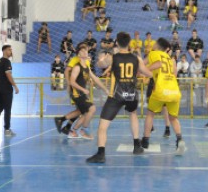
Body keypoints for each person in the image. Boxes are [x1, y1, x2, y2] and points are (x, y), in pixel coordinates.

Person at [86, 32, 153, 163]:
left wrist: (101, 58)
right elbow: (149, 73)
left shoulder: (113, 57)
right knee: (133, 114)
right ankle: (137, 146)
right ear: (130, 43)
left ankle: (101, 153)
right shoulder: (136, 59)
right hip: (132, 94)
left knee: (103, 125)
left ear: (116, 42)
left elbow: (100, 65)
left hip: (116, 94)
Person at [141, 38, 186, 155]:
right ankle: (179, 139)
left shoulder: (154, 53)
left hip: (160, 90)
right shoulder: (171, 59)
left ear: (157, 46)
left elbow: (148, 64)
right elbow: (174, 73)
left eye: (154, 43)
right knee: (173, 118)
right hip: (174, 90)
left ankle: (145, 140)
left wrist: (143, 71)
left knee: (150, 113)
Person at [54, 42, 91, 135]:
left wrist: (89, 81)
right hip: (76, 89)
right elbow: (67, 71)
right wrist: (69, 84)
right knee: (83, 110)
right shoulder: (75, 60)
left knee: (80, 110)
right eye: (84, 49)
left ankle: (66, 126)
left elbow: (87, 74)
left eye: (86, 49)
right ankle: (64, 123)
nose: (86, 50)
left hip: (82, 88)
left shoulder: (87, 61)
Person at [0, 45, 19, 136]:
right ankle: (7, 130)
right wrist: (15, 86)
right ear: (5, 51)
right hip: (6, 89)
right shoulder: (7, 62)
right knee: (7, 109)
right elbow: (8, 75)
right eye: (10, 50)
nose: (11, 51)